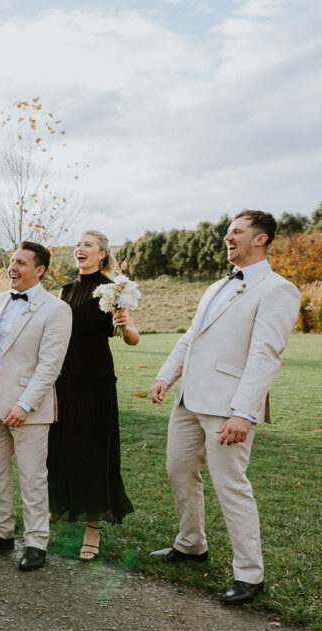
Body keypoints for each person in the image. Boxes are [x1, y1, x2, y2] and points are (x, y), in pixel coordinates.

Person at [149, 209, 299, 605]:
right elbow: (190, 338)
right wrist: (166, 376)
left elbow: (266, 355)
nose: (228, 237)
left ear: (260, 239)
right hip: (188, 401)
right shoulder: (216, 286)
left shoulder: (278, 289)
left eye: (237, 232)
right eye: (227, 231)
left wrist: (244, 413)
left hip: (228, 407)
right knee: (179, 471)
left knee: (230, 485)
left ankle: (250, 575)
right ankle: (191, 545)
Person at [0, 241, 72, 571]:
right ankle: (1, 533)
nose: (12, 268)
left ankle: (36, 542)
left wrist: (25, 404)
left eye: (21, 263)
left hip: (30, 406)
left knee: (32, 476)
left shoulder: (56, 310)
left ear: (39, 270)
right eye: (12, 262)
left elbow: (49, 366)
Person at [47, 232, 138, 560]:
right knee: (59, 446)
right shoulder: (66, 290)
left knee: (93, 450)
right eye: (77, 245)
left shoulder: (114, 289)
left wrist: (125, 323)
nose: (79, 249)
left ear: (102, 254)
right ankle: (57, 504)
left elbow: (132, 338)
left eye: (87, 245)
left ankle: (92, 527)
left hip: (95, 380)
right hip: (63, 378)